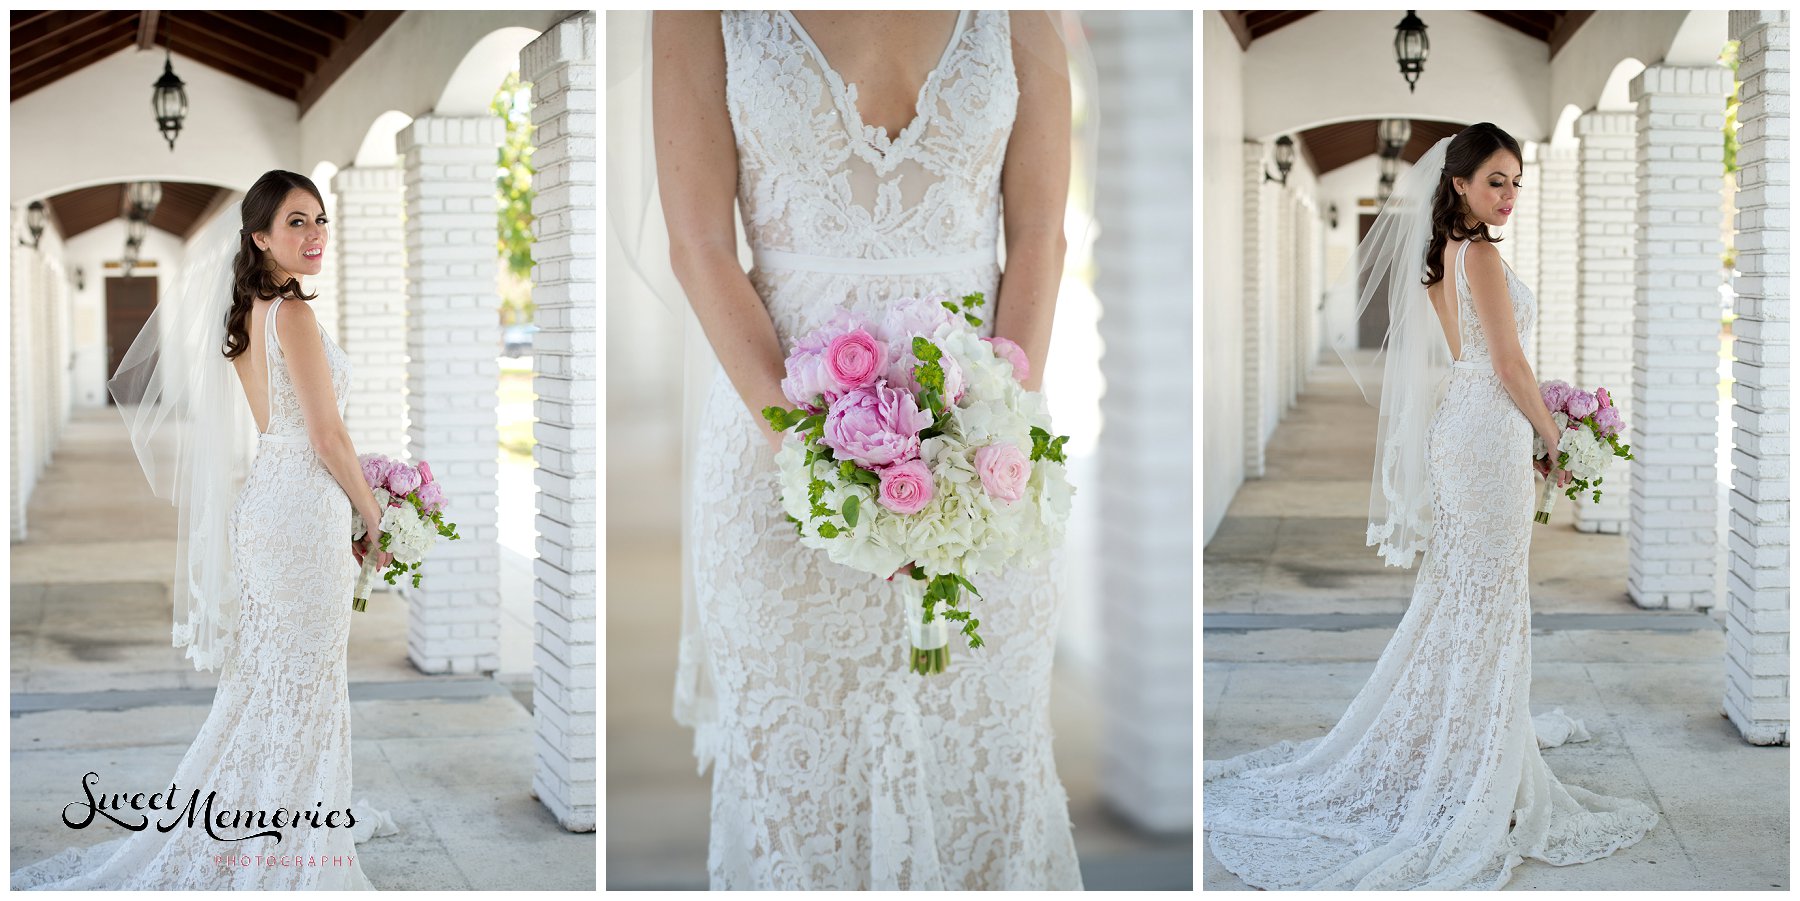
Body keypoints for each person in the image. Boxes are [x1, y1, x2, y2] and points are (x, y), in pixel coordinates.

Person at [650, 10, 1082, 889]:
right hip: (780, 458)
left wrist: (994, 426)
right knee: (802, 795)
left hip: (982, 464)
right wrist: (817, 462)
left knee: (984, 779)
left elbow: (1038, 230)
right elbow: (698, 245)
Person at [1202, 124, 1660, 890]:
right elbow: (1507, 362)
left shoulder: (1442, 256)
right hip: (1489, 439)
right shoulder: (1478, 253)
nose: (1508, 196)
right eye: (1495, 182)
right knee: (1488, 597)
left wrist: (1532, 414)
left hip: (1465, 426)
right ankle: (1473, 760)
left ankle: (1469, 739)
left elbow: (1469, 353)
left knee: (1462, 595)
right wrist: (1553, 436)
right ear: (1458, 184)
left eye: (1516, 182)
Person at [11, 170, 396, 890]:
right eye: (296, 223)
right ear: (260, 236)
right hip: (302, 513)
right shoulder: (294, 315)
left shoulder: (250, 307)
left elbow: (284, 428)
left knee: (268, 682)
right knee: (305, 682)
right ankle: (294, 849)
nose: (314, 236)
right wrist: (375, 515)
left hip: (269, 504)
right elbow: (326, 434)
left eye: (320, 221)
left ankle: (271, 824)